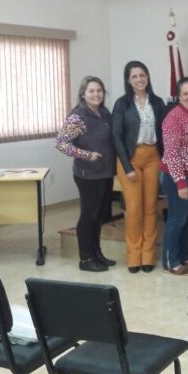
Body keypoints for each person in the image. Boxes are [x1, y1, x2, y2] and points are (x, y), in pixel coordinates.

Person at [111, 60, 170, 274]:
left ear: (148, 77)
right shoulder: (122, 104)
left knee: (150, 208)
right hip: (130, 159)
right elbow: (116, 136)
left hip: (153, 157)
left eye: (142, 75)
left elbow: (165, 131)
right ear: (128, 80)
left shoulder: (157, 101)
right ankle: (134, 256)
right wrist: (127, 166)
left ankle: (148, 256)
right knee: (134, 209)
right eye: (134, 76)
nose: (139, 79)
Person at [55, 76, 116, 272]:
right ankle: (86, 258)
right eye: (91, 91)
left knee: (99, 216)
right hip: (87, 174)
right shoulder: (78, 117)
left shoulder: (104, 113)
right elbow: (61, 143)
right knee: (88, 216)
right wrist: (86, 155)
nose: (96, 94)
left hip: (105, 172)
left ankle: (97, 253)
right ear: (83, 94)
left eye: (99, 90)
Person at [159, 77, 188, 276]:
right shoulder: (173, 118)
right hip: (177, 177)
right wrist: (180, 182)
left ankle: (184, 256)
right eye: (185, 93)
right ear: (179, 96)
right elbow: (171, 153)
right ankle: (171, 261)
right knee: (177, 219)